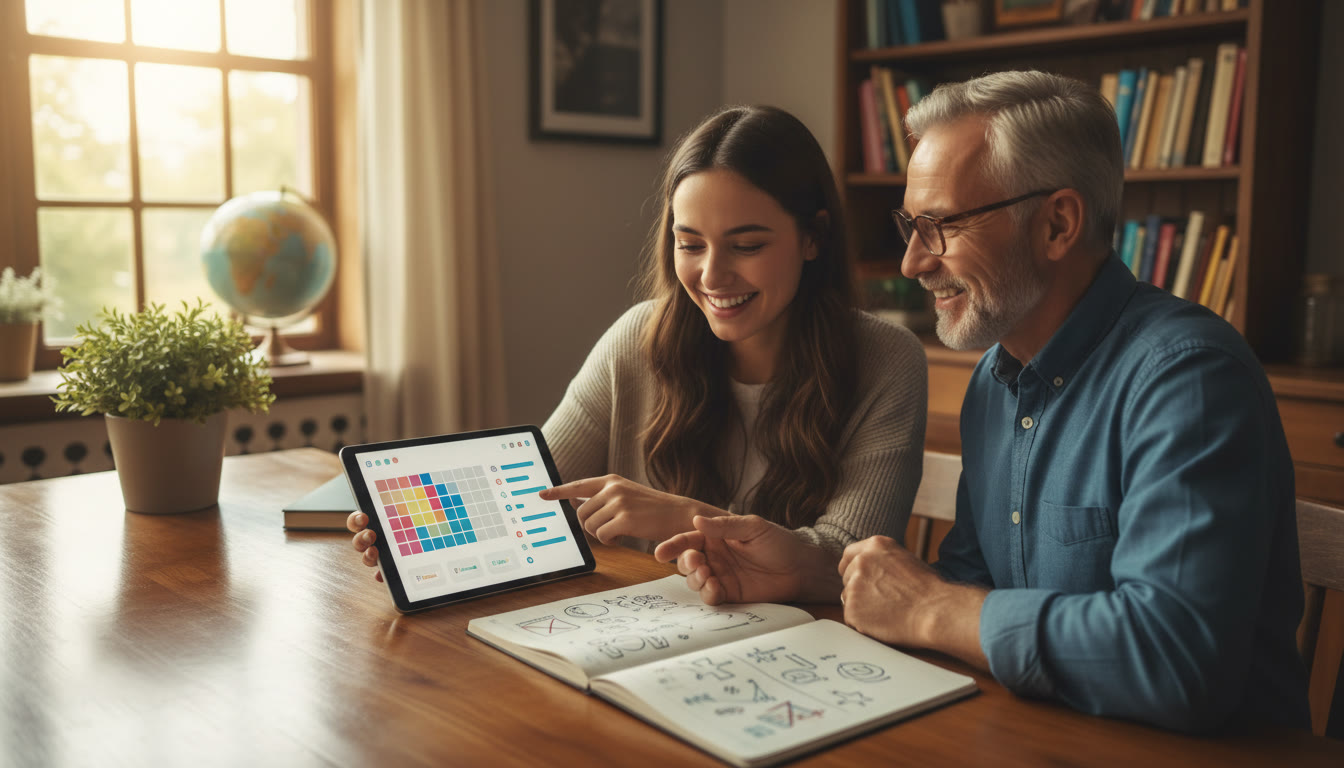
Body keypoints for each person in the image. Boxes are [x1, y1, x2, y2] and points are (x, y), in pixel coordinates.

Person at [656, 71, 1310, 733]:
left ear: (1057, 223)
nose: (913, 262)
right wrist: (809, 572)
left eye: (942, 225)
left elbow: (1175, 661)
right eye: (911, 225)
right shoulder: (997, 380)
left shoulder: (1188, 379)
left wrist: (932, 610)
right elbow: (967, 589)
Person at [349, 105, 928, 572]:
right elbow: (534, 494)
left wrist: (678, 517)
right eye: (690, 243)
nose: (711, 275)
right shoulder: (638, 341)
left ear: (813, 237)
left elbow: (852, 564)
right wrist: (422, 534)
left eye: (747, 245)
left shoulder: (886, 361)